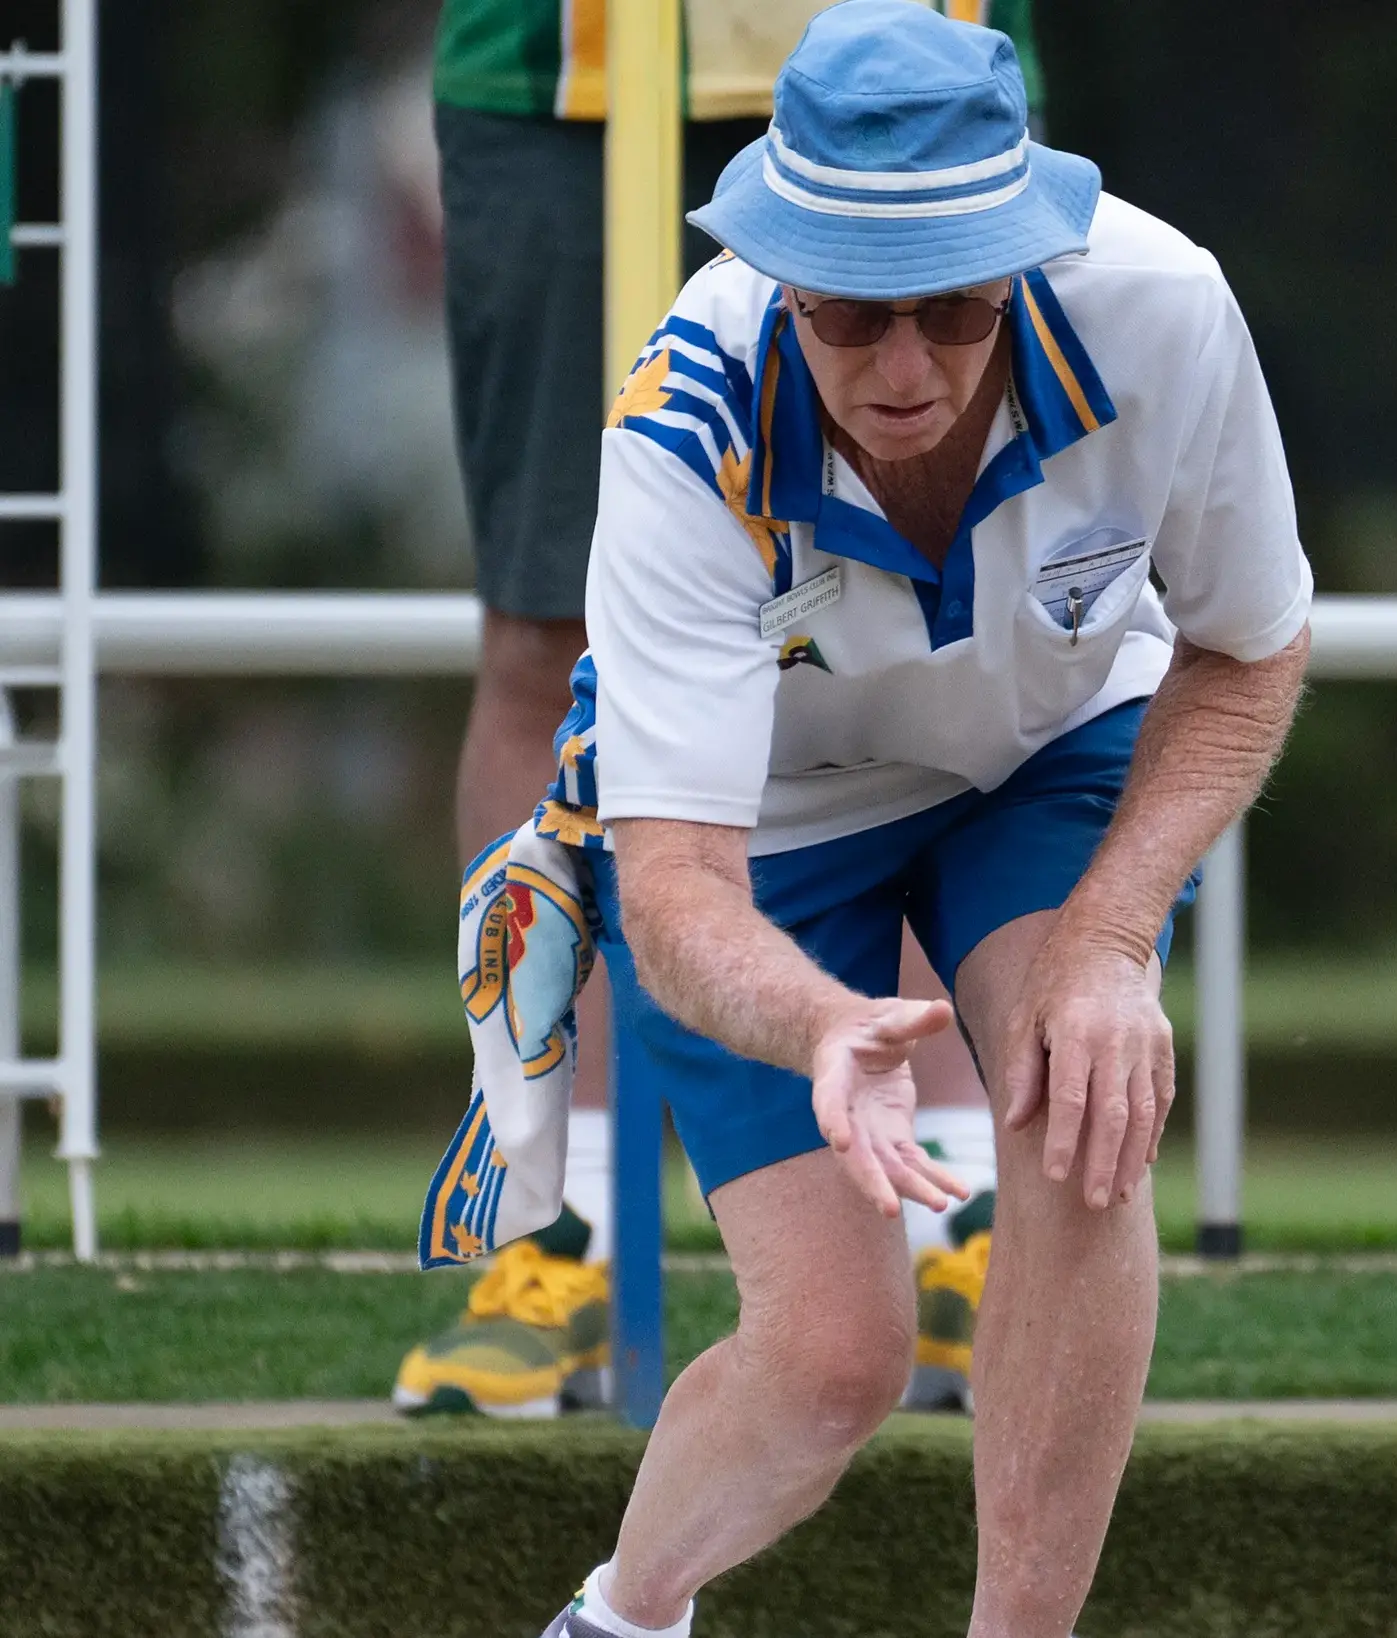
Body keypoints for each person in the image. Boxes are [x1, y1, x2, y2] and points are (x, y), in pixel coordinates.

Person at [533, 5, 1310, 1632]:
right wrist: (824, 1022)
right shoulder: (684, 422)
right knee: (834, 1359)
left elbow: (1248, 648)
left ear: (1028, 262)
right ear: (783, 275)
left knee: (1082, 1113)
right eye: (848, 311)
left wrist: (1106, 941)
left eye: (954, 309)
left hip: (1055, 746)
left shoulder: (1167, 311)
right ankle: (625, 1610)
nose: (901, 371)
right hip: (765, 822)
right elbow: (671, 885)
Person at [397, 0, 1041, 1420]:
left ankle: (956, 1197)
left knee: (951, 581)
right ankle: (554, 1214)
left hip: (926, 50)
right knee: (549, 629)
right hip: (561, 63)